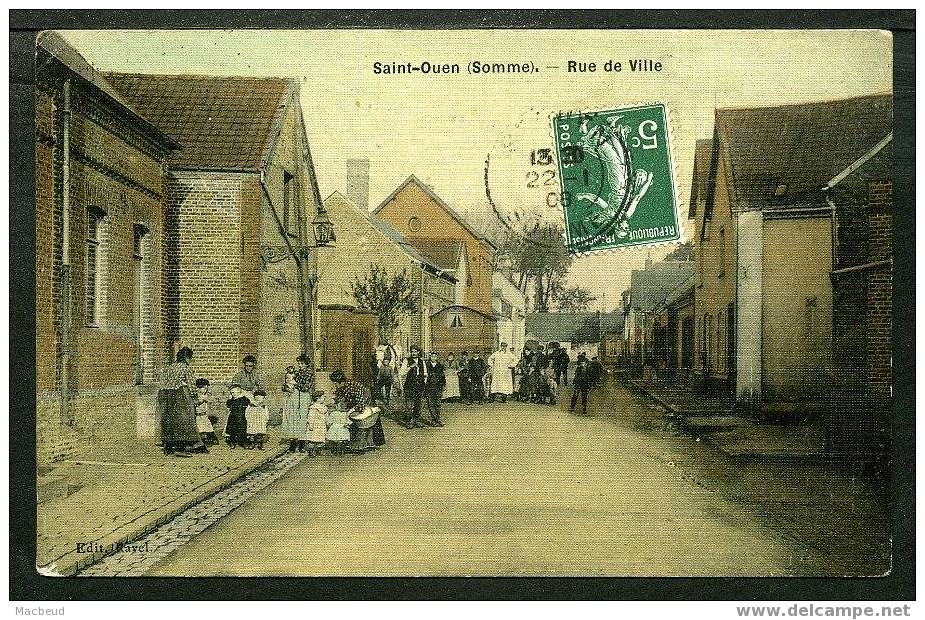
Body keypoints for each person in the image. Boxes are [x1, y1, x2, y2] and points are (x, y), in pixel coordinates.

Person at [156, 347, 208, 456]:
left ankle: (169, 447)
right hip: (178, 395)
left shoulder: (169, 367)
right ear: (187, 358)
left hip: (164, 395)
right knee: (183, 420)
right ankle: (181, 448)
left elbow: (163, 381)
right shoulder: (185, 368)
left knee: (169, 420)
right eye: (190, 358)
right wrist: (195, 398)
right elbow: (191, 385)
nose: (191, 360)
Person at [280, 354, 315, 452]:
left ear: (307, 364)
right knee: (292, 418)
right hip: (293, 397)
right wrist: (286, 386)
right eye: (299, 363)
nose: (300, 365)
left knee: (302, 419)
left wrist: (295, 384)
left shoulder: (309, 373)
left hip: (303, 397)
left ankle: (301, 444)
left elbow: (305, 388)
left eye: (302, 363)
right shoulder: (296, 372)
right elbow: (286, 384)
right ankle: (293, 443)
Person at [400, 346, 428, 428]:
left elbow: (425, 374)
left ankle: (416, 420)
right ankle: (409, 422)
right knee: (409, 405)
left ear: (418, 352)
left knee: (418, 405)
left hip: (419, 386)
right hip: (410, 386)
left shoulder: (422, 362)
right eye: (412, 351)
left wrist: (424, 383)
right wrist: (410, 367)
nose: (414, 353)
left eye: (415, 351)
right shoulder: (406, 361)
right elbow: (402, 373)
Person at [374, 340, 400, 405]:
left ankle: (388, 397)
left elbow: (392, 365)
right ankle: (380, 396)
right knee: (379, 385)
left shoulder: (390, 352)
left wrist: (391, 377)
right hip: (382, 371)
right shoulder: (380, 351)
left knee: (388, 386)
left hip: (389, 373)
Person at [225, 383, 251, 448]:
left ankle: (243, 442)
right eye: (231, 393)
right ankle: (232, 442)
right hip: (232, 417)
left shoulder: (244, 399)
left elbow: (248, 403)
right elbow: (228, 405)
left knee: (242, 430)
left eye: (234, 392)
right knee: (232, 430)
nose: (233, 394)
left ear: (239, 392)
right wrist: (230, 399)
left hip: (241, 417)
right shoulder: (232, 400)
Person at [194, 378, 218, 446]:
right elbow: (195, 403)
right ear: (198, 388)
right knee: (201, 428)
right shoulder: (197, 396)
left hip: (204, 414)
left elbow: (211, 401)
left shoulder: (205, 395)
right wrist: (200, 401)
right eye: (203, 388)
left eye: (206, 388)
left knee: (208, 426)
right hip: (198, 415)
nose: (205, 390)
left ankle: (212, 439)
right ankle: (204, 440)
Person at [305, 391, 330, 457]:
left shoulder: (324, 407)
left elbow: (326, 417)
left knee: (320, 439)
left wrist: (327, 423)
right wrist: (311, 425)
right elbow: (311, 417)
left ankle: (319, 450)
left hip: (321, 425)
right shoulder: (313, 408)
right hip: (315, 426)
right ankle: (311, 451)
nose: (324, 398)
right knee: (313, 440)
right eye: (322, 397)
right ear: (318, 398)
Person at [425, 351, 446, 426]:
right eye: (432, 356)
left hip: (438, 386)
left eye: (435, 356)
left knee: (438, 403)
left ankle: (438, 419)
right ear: (430, 357)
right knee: (431, 403)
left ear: (437, 358)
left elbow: (443, 376)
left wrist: (443, 384)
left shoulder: (440, 366)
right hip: (429, 386)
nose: (433, 358)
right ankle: (434, 420)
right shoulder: (426, 365)